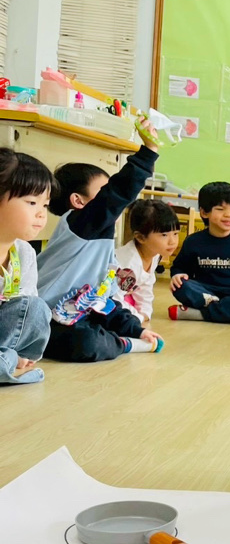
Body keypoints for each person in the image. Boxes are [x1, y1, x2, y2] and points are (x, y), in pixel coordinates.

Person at [37, 123, 164, 361]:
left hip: (81, 309)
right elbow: (116, 194)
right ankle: (122, 344)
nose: (109, 198)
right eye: (102, 190)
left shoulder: (101, 242)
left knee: (106, 320)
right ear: (78, 201)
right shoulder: (79, 225)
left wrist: (137, 330)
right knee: (85, 342)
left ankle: (123, 339)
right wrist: (148, 152)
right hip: (47, 318)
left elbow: (105, 299)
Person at [168, 182, 230, 324]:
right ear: (204, 212)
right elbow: (180, 267)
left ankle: (200, 314)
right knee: (180, 286)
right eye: (220, 209)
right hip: (204, 293)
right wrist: (177, 275)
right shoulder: (193, 241)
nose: (228, 215)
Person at [0, 149, 57, 383]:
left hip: (6, 339)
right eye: (32, 202)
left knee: (36, 307)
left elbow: (25, 310)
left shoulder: (24, 252)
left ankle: (9, 358)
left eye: (45, 205)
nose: (41, 214)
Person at [115, 198, 180, 325]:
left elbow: (145, 286)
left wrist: (145, 312)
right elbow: (113, 299)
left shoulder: (154, 255)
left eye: (176, 233)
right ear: (140, 237)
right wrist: (137, 316)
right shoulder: (128, 264)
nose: (172, 241)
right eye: (164, 235)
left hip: (123, 295)